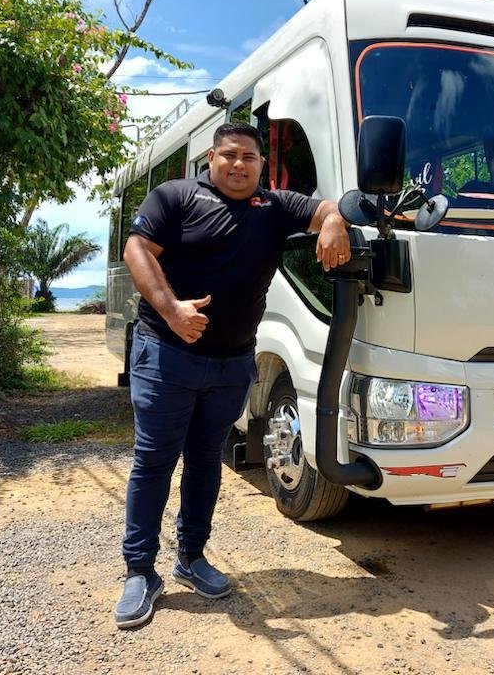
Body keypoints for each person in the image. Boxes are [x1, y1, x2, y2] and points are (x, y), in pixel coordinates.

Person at [113, 121, 350, 629]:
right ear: (212, 159)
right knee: (154, 461)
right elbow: (137, 250)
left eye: (249, 157)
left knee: (206, 460)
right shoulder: (175, 197)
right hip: (166, 354)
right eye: (229, 155)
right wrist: (172, 309)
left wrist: (332, 221)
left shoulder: (275, 207)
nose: (239, 164)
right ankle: (140, 571)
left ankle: (191, 557)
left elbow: (326, 207)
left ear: (262, 164)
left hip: (233, 362)